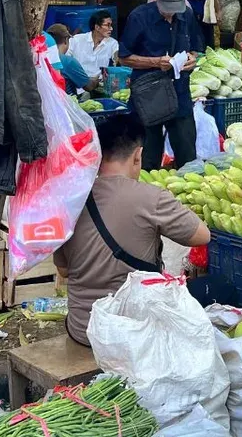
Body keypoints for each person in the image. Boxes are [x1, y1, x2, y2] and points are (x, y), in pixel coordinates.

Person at [53, 114, 210, 346]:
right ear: (138, 155)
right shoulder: (151, 197)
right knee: (218, 289)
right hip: (133, 332)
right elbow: (202, 235)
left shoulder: (72, 200)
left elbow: (64, 271)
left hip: (82, 328)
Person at [120, 0, 203, 170]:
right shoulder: (139, 17)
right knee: (147, 156)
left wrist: (192, 59)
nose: (171, 14)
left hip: (179, 91)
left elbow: (196, 48)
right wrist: (155, 62)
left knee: (187, 153)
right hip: (148, 94)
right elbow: (123, 57)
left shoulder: (186, 15)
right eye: (167, 9)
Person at [68, 9, 119, 82]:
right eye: (108, 25)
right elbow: (66, 60)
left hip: (99, 85)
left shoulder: (113, 43)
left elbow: (116, 64)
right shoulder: (77, 40)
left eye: (111, 25)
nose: (111, 28)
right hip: (77, 82)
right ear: (97, 27)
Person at [44, 23, 93, 94]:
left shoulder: (42, 58)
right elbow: (89, 87)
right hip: (65, 102)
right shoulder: (68, 61)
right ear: (66, 40)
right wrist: (97, 80)